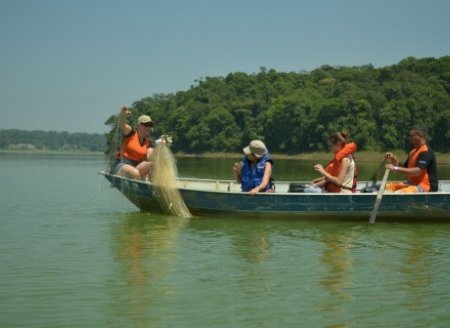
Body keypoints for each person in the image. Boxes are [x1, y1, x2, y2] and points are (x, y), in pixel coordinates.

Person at [385, 125, 438, 193]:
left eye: (411, 136)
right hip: (412, 184)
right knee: (386, 187)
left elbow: (417, 172)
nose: (409, 138)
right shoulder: (413, 152)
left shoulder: (426, 151)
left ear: (420, 136)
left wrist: (395, 168)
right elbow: (405, 168)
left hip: (425, 187)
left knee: (399, 193)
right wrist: (393, 159)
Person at [111, 106, 154, 180]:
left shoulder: (148, 142)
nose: (148, 127)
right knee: (135, 173)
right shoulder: (130, 133)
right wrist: (123, 115)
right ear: (138, 125)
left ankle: (153, 189)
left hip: (135, 166)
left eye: (150, 125)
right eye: (146, 124)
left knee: (152, 165)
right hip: (121, 164)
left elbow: (149, 157)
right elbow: (123, 124)